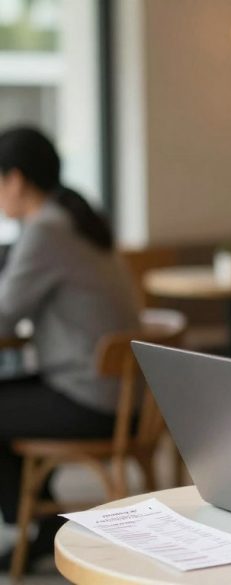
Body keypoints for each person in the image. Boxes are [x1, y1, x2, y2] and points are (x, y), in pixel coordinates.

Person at [0, 127, 139, 570]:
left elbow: (4, 313)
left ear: (16, 179)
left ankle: (25, 518)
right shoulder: (74, 218)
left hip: (94, 401)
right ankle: (39, 524)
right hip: (124, 397)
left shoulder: (46, 229)